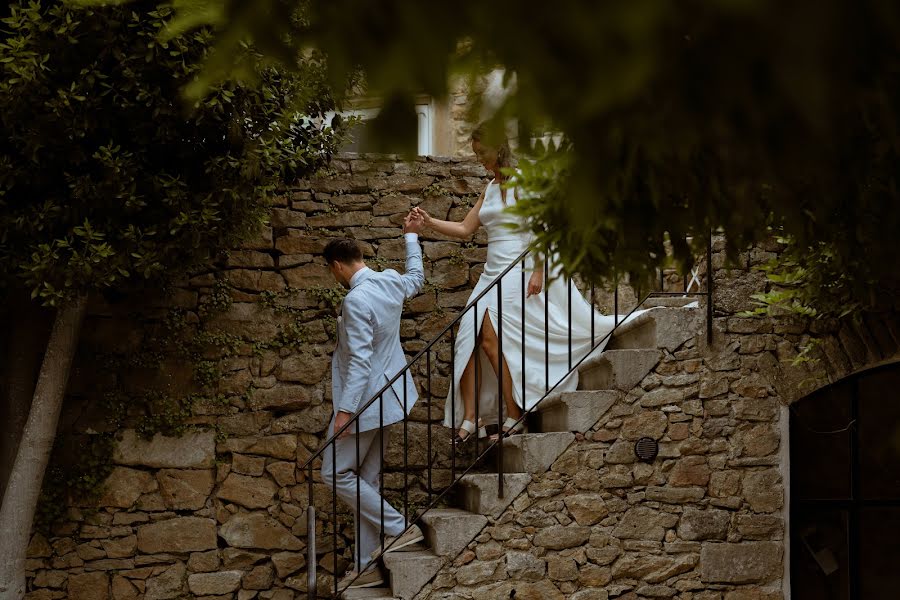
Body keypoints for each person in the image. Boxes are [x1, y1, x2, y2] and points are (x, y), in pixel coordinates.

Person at [411, 122, 641, 445]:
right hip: (491, 275)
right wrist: (428, 223)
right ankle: (472, 416)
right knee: (468, 339)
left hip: (515, 273)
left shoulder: (523, 183)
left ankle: (514, 414)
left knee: (489, 339)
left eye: (482, 152)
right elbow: (465, 229)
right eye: (475, 154)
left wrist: (539, 269)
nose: (479, 159)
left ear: (497, 147)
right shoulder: (489, 189)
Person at [320, 214, 427, 591]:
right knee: (366, 479)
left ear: (337, 266)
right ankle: (366, 565)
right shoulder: (389, 281)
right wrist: (411, 237)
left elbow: (360, 360)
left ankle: (401, 528)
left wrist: (344, 413)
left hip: (365, 403)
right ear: (360, 256)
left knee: (332, 473)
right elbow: (416, 279)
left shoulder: (355, 300)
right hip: (391, 398)